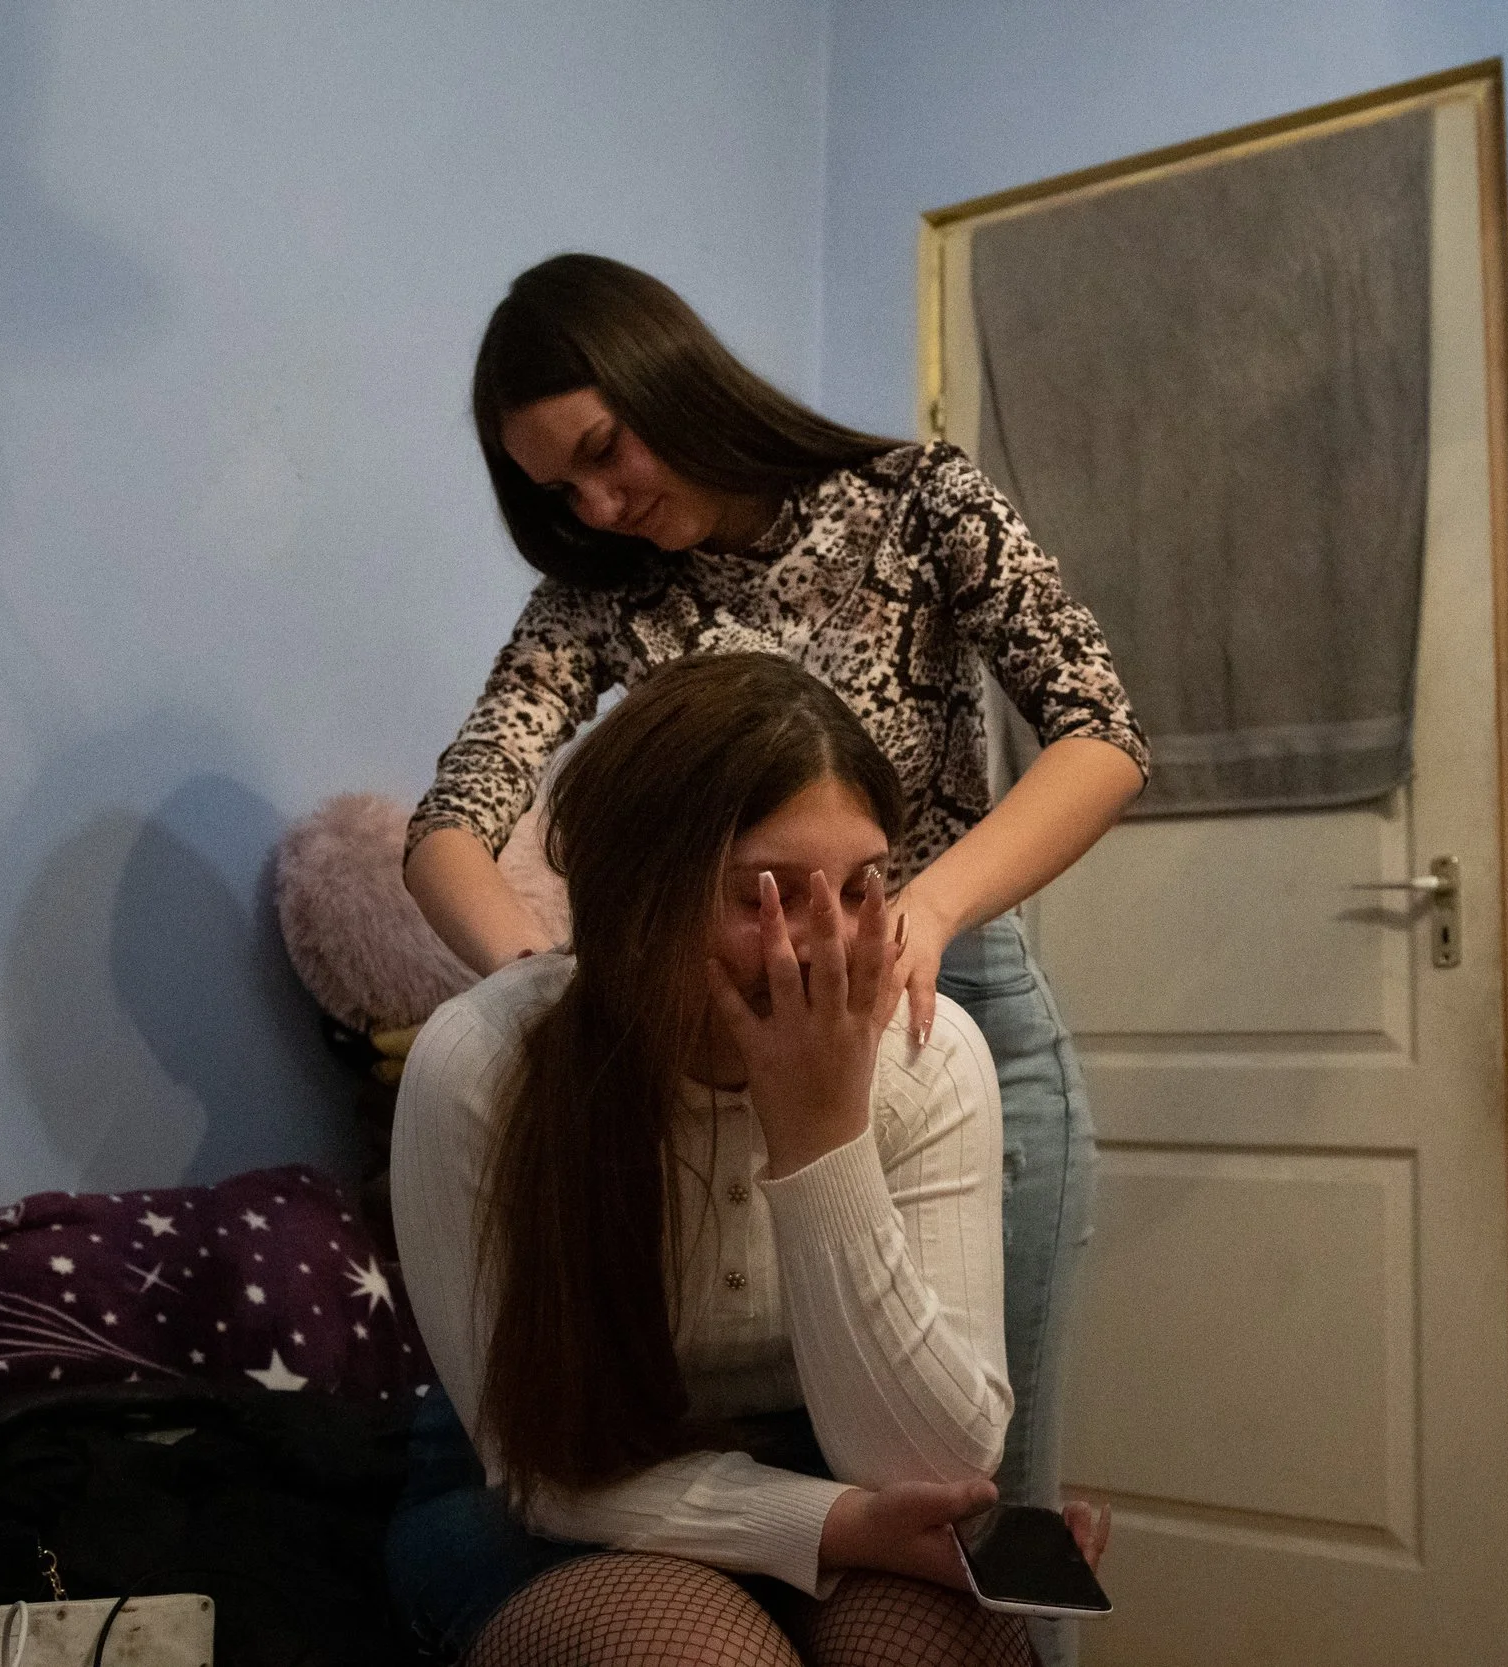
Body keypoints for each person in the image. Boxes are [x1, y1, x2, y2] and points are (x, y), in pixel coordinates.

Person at [404, 255, 1150, 1549]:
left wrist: (916, 912)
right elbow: (448, 824)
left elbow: (1102, 729)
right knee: (824, 1502)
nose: (598, 501)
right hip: (713, 1032)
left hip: (945, 1012)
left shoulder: (917, 501)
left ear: (667, 377)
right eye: (558, 490)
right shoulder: (595, 590)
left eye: (601, 449)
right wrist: (546, 981)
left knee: (989, 1506)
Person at [389, 654, 1107, 1665]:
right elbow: (546, 1471)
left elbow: (933, 1461)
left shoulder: (927, 1051)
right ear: (634, 893)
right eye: (762, 892)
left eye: (861, 885)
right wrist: (833, 1527)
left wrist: (824, 1141)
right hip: (545, 1502)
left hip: (838, 1464)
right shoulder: (482, 1065)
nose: (821, 942)